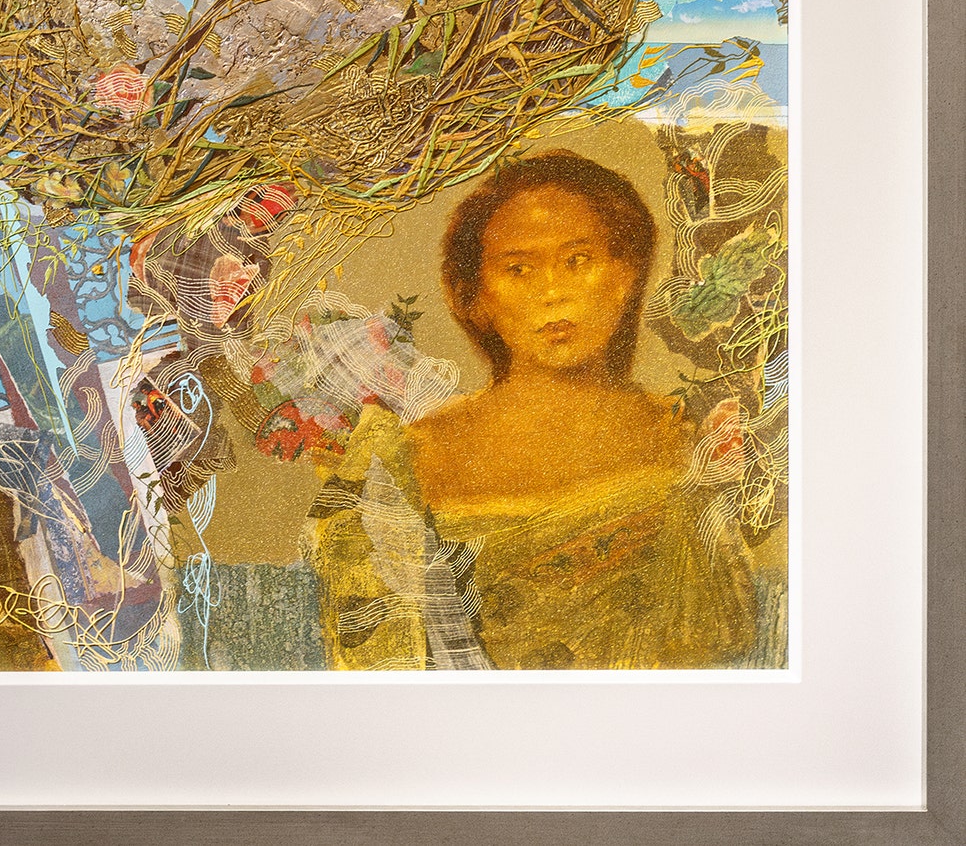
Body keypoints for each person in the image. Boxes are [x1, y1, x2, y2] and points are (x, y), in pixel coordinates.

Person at [306, 151, 759, 670]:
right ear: (475, 296)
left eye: (578, 260)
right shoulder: (406, 458)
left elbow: (721, 648)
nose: (552, 292)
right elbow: (378, 663)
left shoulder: (689, 441)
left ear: (626, 274)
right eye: (518, 269)